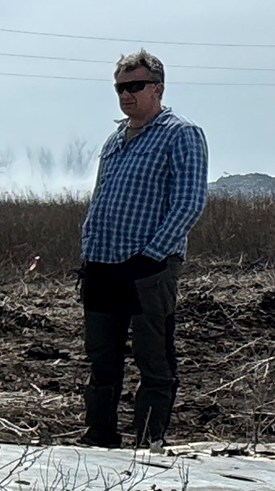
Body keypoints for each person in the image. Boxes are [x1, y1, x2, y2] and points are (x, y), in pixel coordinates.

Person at [78, 50, 208, 448]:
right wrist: (87, 251)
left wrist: (153, 255)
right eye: (120, 87)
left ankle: (148, 441)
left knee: (153, 357)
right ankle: (99, 434)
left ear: (158, 88)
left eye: (135, 86)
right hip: (101, 264)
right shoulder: (115, 138)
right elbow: (101, 197)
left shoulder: (181, 134)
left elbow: (189, 202)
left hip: (148, 267)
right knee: (101, 359)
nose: (126, 95)